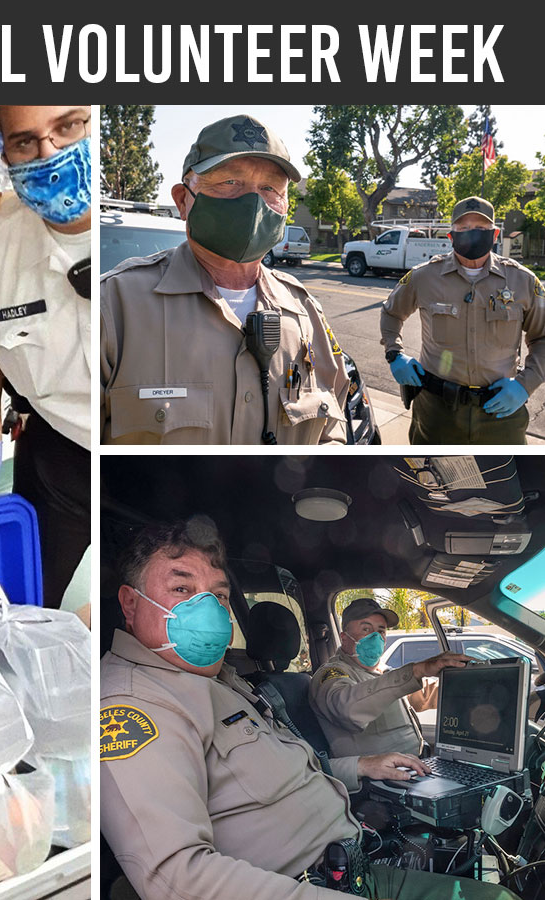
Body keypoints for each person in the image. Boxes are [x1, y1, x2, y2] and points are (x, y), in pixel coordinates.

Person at [101, 518, 520, 900]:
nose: (208, 608)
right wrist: (415, 672)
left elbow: (284, 772)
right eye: (181, 589)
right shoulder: (133, 705)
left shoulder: (225, 683)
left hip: (355, 869)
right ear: (130, 603)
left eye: (219, 595)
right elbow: (175, 879)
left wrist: (362, 765)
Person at [100, 114, 350, 445]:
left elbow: (333, 433)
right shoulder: (114, 306)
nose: (253, 203)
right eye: (230, 182)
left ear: (286, 205)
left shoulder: (305, 312)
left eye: (270, 188)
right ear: (183, 200)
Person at [0, 105, 91, 610]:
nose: (49, 153)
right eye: (25, 142)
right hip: (57, 452)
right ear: (5, 155)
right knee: (24, 603)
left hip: (150, 457)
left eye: (68, 126)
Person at [380, 195, 545, 444]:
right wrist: (394, 353)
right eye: (464, 228)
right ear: (451, 236)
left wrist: (525, 385)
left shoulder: (523, 281)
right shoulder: (423, 277)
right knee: (429, 468)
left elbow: (542, 338)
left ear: (495, 234)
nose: (472, 233)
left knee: (505, 469)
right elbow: (391, 313)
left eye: (481, 228)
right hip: (437, 411)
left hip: (500, 411)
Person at [310, 597, 469, 758]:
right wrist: (417, 670)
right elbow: (347, 709)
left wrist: (467, 687)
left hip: (419, 762)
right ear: (344, 638)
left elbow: (420, 694)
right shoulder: (331, 674)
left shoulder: (382, 671)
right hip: (381, 772)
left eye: (381, 631)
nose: (376, 637)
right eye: (366, 629)